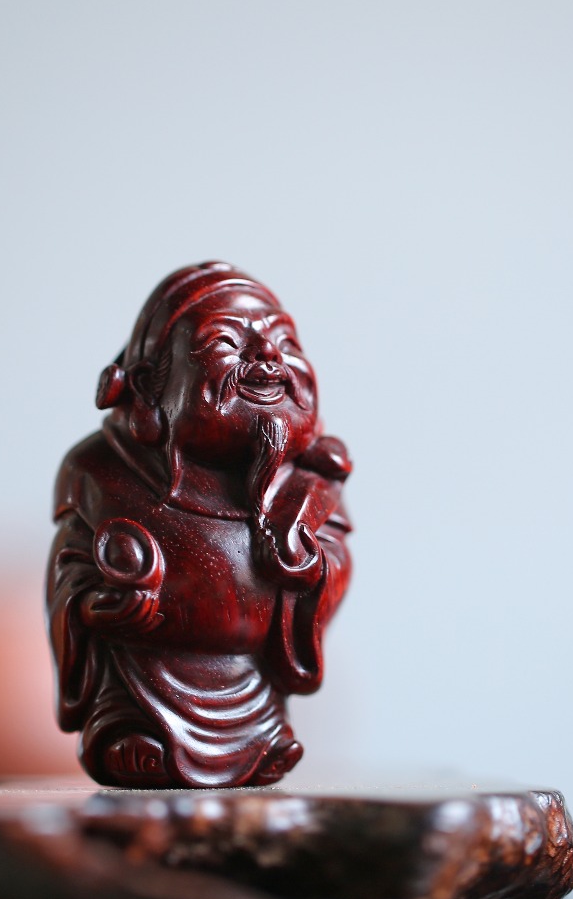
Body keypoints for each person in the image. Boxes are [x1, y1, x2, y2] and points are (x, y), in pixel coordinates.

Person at [46, 261, 353, 787]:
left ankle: (259, 740)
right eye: (226, 342)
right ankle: (129, 730)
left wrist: (310, 568)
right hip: (147, 682)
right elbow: (69, 574)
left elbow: (337, 563)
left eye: (285, 342)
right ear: (150, 386)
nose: (268, 357)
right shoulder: (101, 474)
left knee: (269, 736)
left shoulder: (307, 487)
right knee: (134, 737)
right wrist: (102, 603)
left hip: (249, 682)